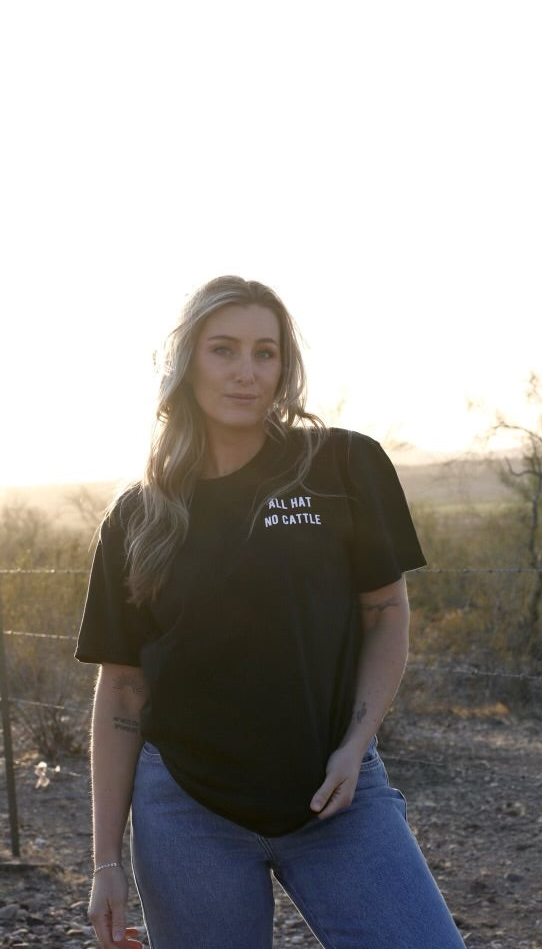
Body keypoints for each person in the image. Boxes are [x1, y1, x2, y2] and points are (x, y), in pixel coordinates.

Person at [75, 275, 465, 949]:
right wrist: (106, 862)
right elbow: (123, 688)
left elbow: (386, 613)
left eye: (266, 352)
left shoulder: (343, 465)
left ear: (285, 367)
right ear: (187, 361)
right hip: (187, 811)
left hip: (336, 795)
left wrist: (355, 746)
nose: (245, 373)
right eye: (223, 350)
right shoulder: (140, 515)